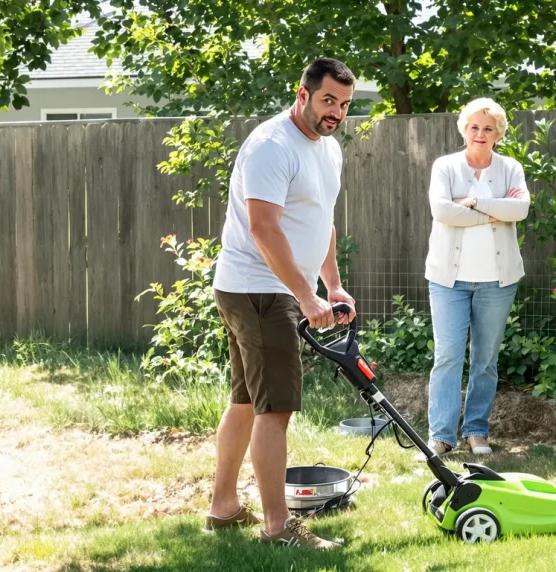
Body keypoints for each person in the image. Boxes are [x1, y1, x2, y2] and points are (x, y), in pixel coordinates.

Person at [204, 58, 356, 550]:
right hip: (258, 290)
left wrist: (331, 286)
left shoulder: (328, 149)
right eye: (328, 100)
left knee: (247, 399)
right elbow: (263, 228)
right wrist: (304, 295)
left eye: (344, 105)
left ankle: (224, 507)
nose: (335, 112)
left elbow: (321, 220)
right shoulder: (273, 146)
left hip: (269, 289)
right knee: (276, 409)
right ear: (304, 94)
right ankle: (278, 527)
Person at [419, 97, 530, 461]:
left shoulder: (510, 168)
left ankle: (476, 431)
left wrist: (471, 203)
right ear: (464, 130)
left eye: (488, 128)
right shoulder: (446, 167)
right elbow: (442, 211)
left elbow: (521, 209)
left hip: (497, 282)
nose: (480, 134)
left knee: (485, 360)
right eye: (474, 127)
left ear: (498, 133)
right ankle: (441, 436)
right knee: (448, 356)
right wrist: (494, 209)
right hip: (448, 280)